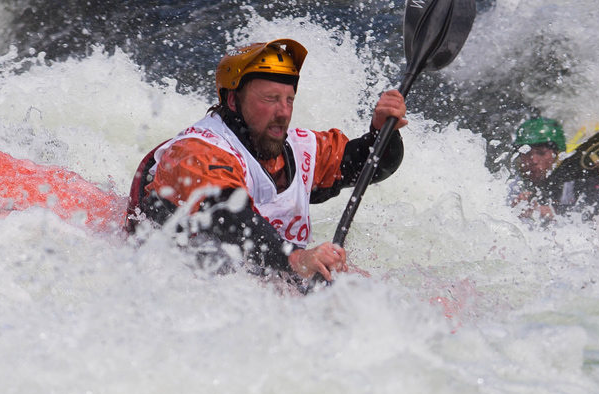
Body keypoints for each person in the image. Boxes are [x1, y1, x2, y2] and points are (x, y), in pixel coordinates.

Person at [126, 38, 407, 283]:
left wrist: (383, 131)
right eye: (271, 99)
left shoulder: (301, 149)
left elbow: (372, 165)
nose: (283, 112)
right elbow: (228, 215)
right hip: (187, 278)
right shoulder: (197, 152)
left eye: (289, 99)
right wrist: (296, 258)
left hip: (265, 272)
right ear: (233, 101)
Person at [509, 117, 599, 224]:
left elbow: (595, 221)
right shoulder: (512, 184)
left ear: (557, 154)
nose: (533, 161)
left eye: (541, 153)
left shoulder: (586, 178)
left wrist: (552, 213)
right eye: (526, 154)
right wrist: (512, 211)